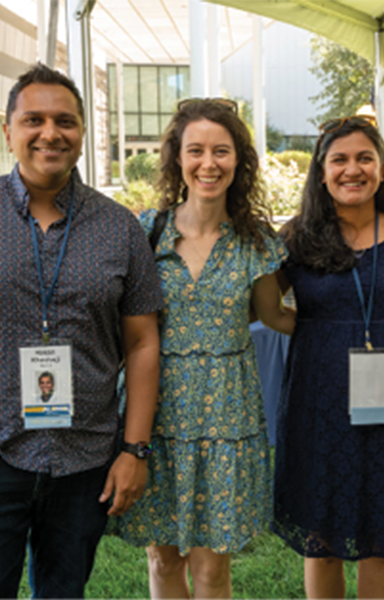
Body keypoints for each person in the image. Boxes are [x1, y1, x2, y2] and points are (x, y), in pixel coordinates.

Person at [0, 63, 164, 599]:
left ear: (83, 131)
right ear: (8, 131)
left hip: (85, 459)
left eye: (65, 121)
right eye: (33, 119)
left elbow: (142, 341)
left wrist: (135, 449)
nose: (50, 133)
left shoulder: (119, 227)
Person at [116, 98, 294, 600]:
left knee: (212, 569)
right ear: (178, 158)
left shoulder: (255, 240)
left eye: (221, 151)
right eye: (196, 150)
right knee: (162, 558)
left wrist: (344, 328)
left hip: (227, 422)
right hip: (158, 415)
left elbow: (272, 314)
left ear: (239, 160)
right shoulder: (146, 233)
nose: (208, 163)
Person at [273, 115, 384, 600]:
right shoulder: (297, 237)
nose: (352, 169)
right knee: (321, 539)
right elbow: (263, 306)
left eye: (365, 158)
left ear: (383, 169)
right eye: (339, 159)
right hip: (317, 397)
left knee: (378, 536)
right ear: (321, 171)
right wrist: (318, 333)